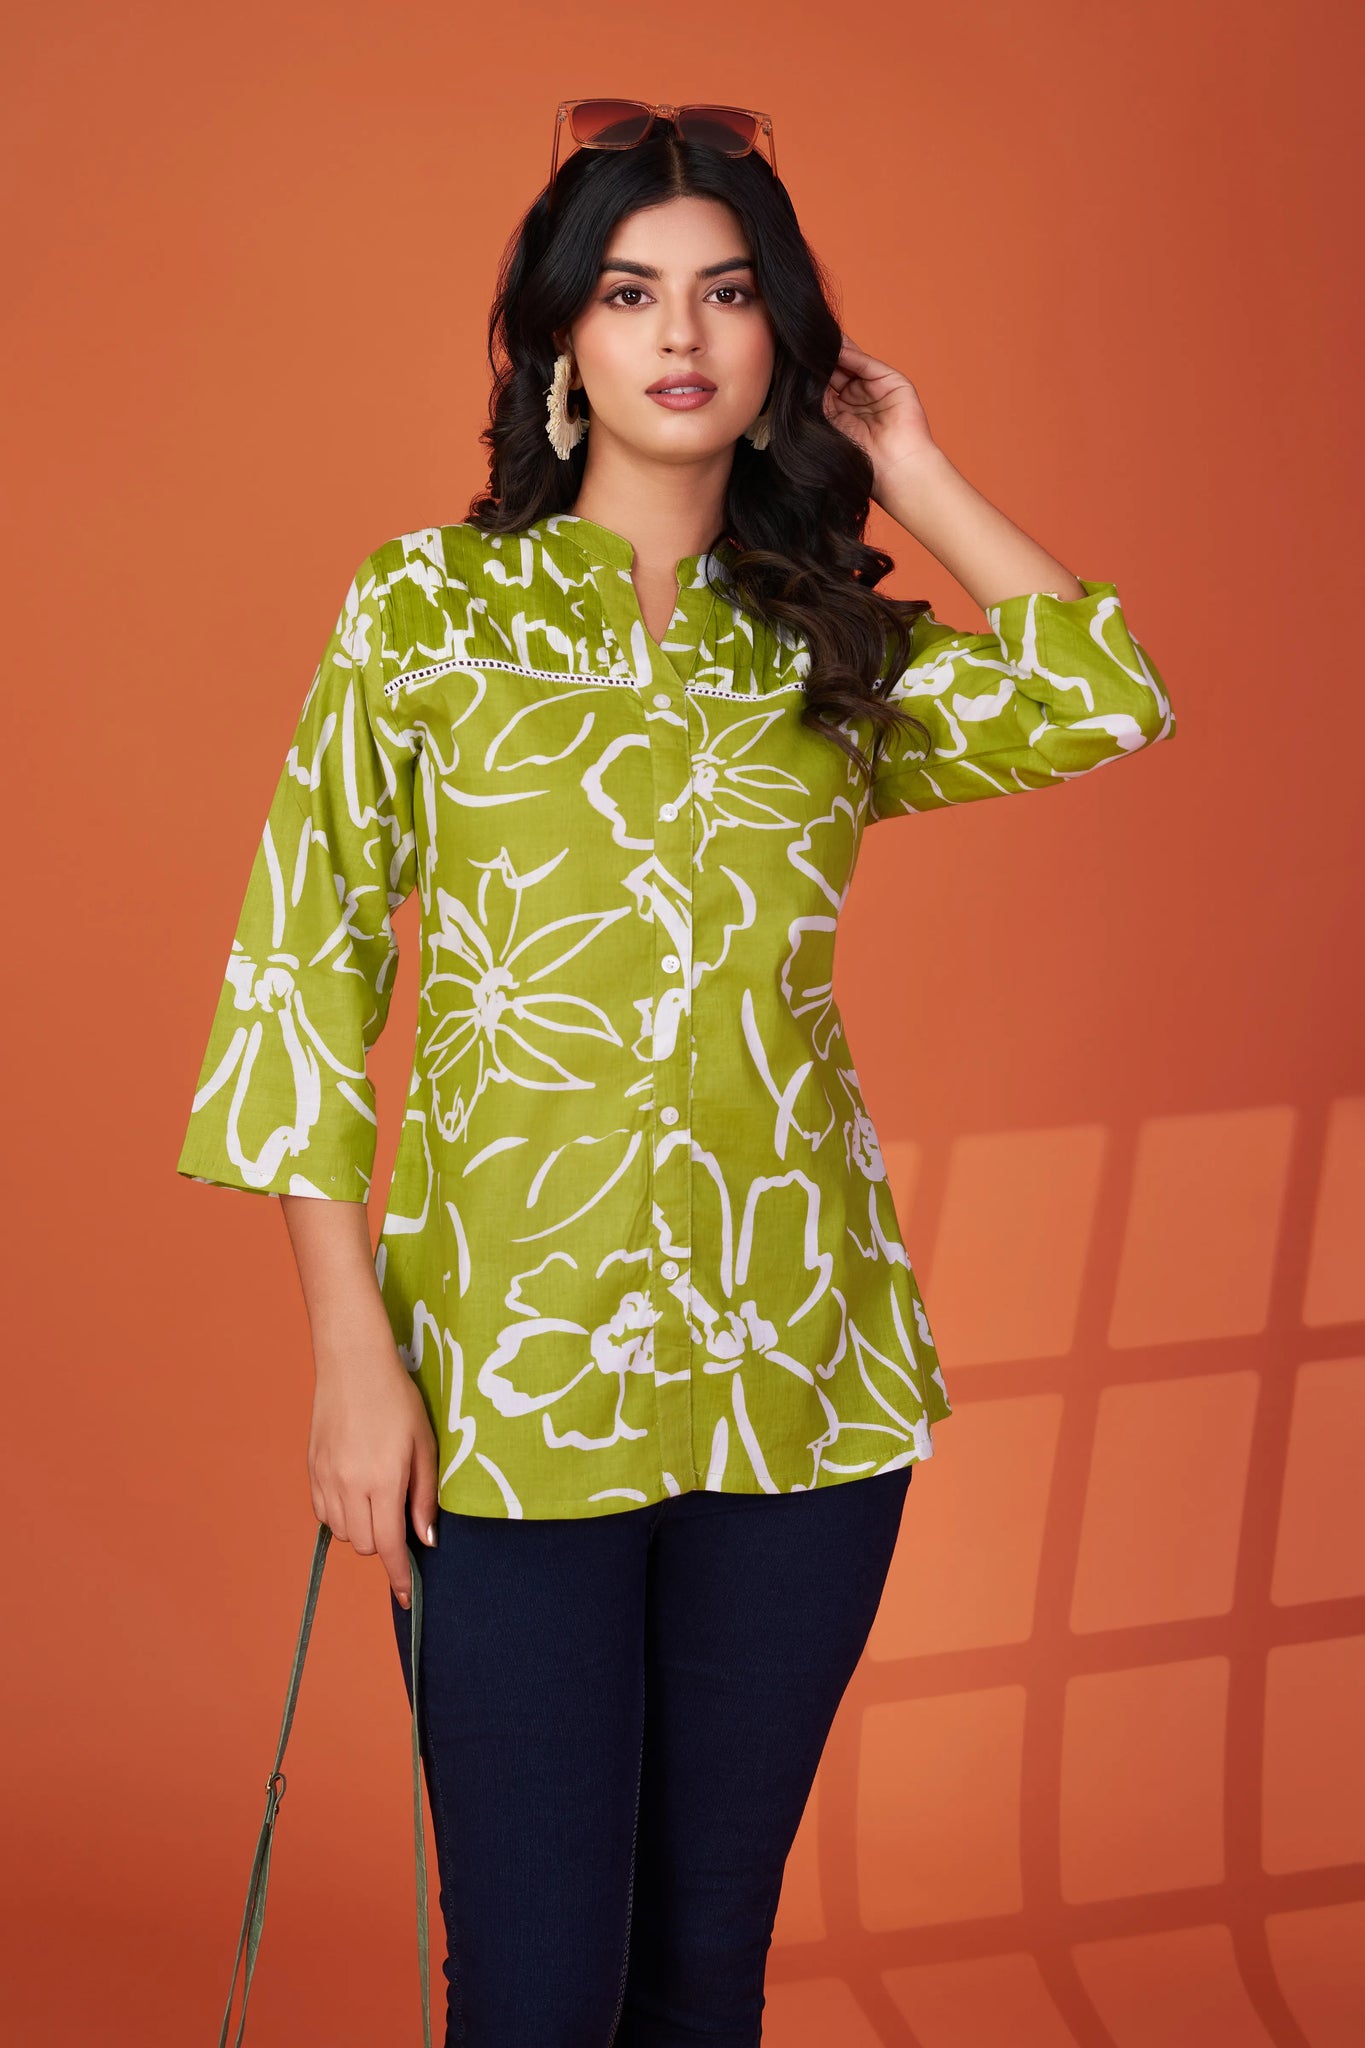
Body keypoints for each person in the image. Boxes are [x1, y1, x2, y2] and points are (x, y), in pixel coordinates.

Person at [176, 99, 1176, 2048]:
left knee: (701, 1975)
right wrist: (350, 1354)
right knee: (535, 1990)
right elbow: (298, 977)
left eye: (726, 293)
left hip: (800, 1370)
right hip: (506, 1380)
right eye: (629, 294)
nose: (681, 333)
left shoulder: (824, 648)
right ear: (559, 340)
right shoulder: (425, 614)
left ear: (778, 338)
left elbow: (1100, 695)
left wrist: (909, 458)